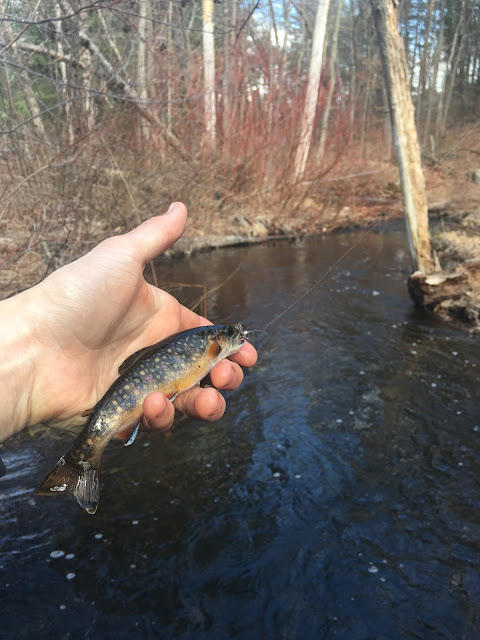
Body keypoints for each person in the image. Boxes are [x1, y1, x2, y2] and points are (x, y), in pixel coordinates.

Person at [0, 202, 257, 459]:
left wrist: (28, 363)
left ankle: (83, 458)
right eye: (232, 337)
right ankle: (81, 461)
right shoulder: (209, 344)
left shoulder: (209, 344)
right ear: (217, 343)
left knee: (181, 403)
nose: (238, 339)